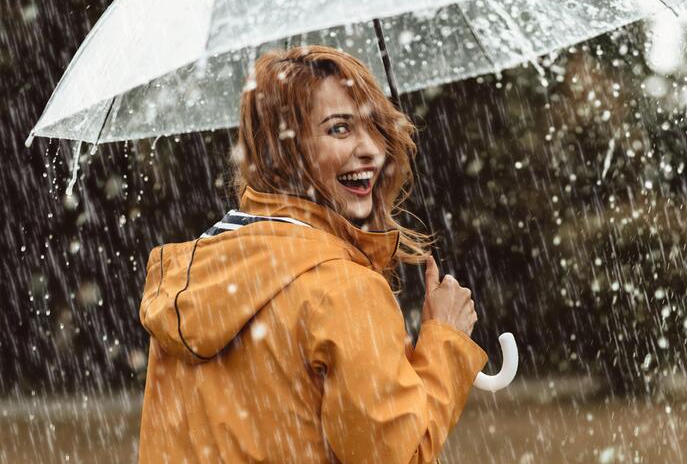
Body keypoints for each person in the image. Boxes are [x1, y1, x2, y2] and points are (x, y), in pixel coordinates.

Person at [137, 45, 487, 463]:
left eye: (375, 126)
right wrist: (443, 343)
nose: (372, 150)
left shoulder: (198, 278)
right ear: (284, 153)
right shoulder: (341, 291)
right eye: (339, 129)